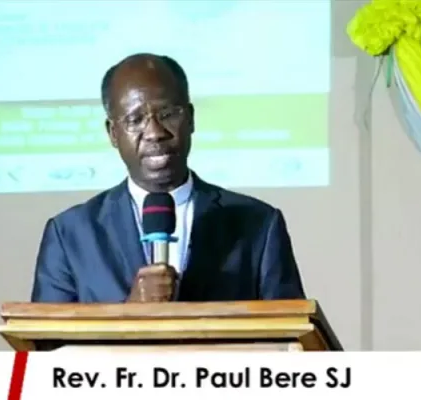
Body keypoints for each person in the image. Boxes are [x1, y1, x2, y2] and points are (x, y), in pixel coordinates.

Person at [31, 53, 305, 303]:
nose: (154, 132)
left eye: (168, 114)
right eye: (135, 120)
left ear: (191, 119)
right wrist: (128, 315)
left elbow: (291, 340)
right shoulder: (70, 235)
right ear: (113, 134)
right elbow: (47, 349)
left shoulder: (258, 225)